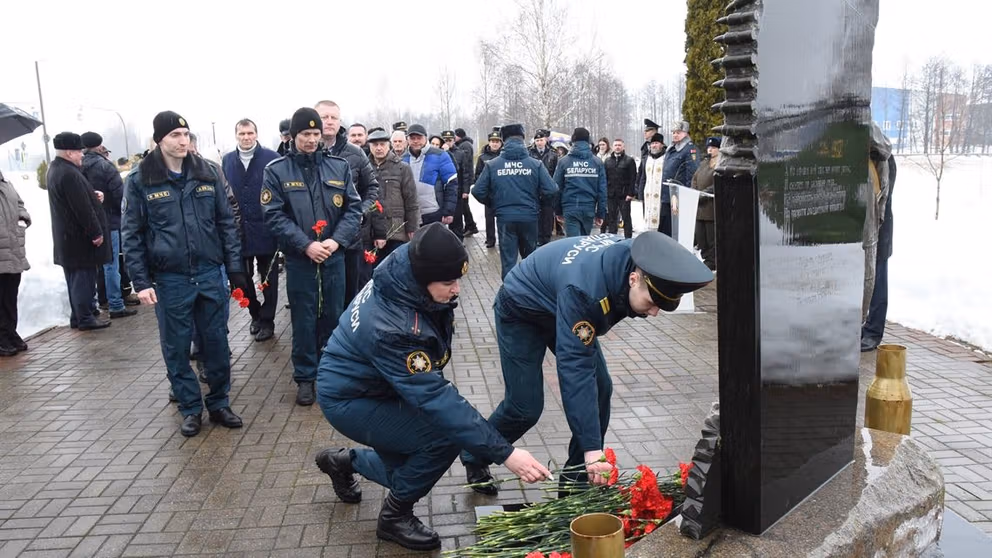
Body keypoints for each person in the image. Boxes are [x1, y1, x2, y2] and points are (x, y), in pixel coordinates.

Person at [315, 223, 551, 551]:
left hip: (380, 384)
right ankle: (394, 517)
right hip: (349, 397)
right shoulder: (394, 327)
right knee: (442, 437)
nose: (457, 290)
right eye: (448, 283)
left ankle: (343, 462)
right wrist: (506, 453)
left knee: (406, 471)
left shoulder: (408, 267)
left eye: (458, 279)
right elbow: (435, 399)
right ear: (424, 278)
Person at [461, 231, 714, 495]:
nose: (653, 313)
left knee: (601, 387)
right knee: (525, 407)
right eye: (651, 303)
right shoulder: (586, 292)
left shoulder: (638, 259)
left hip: (559, 301)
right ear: (633, 279)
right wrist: (594, 449)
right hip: (522, 308)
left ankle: (575, 485)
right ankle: (474, 454)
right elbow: (575, 370)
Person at [121, 112, 247, 437]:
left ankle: (219, 403)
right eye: (175, 135)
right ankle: (191, 408)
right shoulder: (140, 180)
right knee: (176, 348)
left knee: (217, 343)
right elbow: (132, 235)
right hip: (170, 279)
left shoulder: (208, 173)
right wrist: (141, 281)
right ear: (158, 140)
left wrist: (235, 269)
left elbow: (226, 224)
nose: (182, 141)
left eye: (186, 134)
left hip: (208, 273)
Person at [261, 107, 362, 407]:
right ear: (293, 136)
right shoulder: (277, 171)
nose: (311, 140)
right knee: (304, 320)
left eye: (316, 134)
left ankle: (331, 374)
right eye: (305, 134)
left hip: (333, 257)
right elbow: (273, 215)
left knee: (333, 316)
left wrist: (336, 241)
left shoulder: (338, 167)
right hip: (300, 260)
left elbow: (353, 209)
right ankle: (306, 378)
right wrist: (305, 244)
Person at [314, 100, 381, 307]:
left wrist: (360, 212)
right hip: (315, 241)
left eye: (334, 117)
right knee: (319, 300)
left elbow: (372, 187)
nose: (329, 122)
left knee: (349, 297)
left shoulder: (355, 153)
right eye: (324, 117)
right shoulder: (304, 153)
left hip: (349, 240)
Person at [472, 123, 557, 279]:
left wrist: (494, 203)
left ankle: (510, 295)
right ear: (523, 139)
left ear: (504, 140)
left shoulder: (493, 165)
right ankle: (530, 293)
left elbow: (477, 191)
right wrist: (538, 203)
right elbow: (551, 189)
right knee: (530, 260)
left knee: (508, 262)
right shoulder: (535, 164)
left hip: (505, 218)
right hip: (530, 217)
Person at [222, 118, 281, 341]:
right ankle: (255, 314)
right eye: (241, 134)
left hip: (266, 229)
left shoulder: (271, 158)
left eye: (250, 133)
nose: (246, 137)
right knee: (242, 279)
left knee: (269, 280)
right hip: (239, 232)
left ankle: (268, 320)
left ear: (256, 134)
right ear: (236, 135)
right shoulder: (227, 160)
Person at [47, 132, 112, 331]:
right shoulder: (68, 173)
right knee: (83, 279)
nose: (82, 155)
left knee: (74, 278)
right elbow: (81, 208)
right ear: (69, 152)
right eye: (78, 151)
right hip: (79, 239)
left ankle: (78, 316)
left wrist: (93, 196)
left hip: (68, 239)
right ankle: (85, 317)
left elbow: (75, 200)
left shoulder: (56, 169)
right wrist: (96, 232)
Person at [81, 132, 137, 320]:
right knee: (111, 264)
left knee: (94, 265)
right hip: (109, 222)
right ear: (99, 145)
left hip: (87, 222)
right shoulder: (105, 166)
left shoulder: (77, 167)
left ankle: (98, 303)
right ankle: (116, 304)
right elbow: (120, 196)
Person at [360, 128, 420, 286]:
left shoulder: (402, 168)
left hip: (396, 230)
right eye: (375, 145)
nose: (378, 148)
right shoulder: (364, 167)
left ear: (389, 145)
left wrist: (412, 227)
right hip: (370, 231)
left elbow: (411, 200)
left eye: (382, 144)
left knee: (395, 275)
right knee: (371, 277)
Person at [862, 124, 897, 352]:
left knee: (878, 275)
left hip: (878, 227)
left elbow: (881, 200)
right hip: (865, 229)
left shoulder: (884, 163)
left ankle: (873, 332)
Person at [554, 127, 607, 237]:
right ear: (588, 141)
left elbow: (557, 188)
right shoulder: (597, 162)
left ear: (573, 141)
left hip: (569, 208)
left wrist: (558, 211)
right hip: (589, 208)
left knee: (573, 244)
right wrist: (600, 214)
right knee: (584, 243)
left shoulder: (564, 162)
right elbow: (602, 190)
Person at [0, 170, 31, 355]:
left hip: (12, 249)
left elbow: (19, 204)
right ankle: (2, 338)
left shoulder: (6, 184)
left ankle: (10, 332)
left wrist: (23, 215)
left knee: (10, 296)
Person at [402, 124, 458, 227]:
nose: (415, 141)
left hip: (434, 213)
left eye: (419, 138)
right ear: (407, 139)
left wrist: (448, 211)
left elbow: (452, 184)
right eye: (412, 138)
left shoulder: (440, 155)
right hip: (411, 216)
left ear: (426, 138)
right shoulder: (403, 158)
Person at [663, 121, 700, 236]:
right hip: (667, 195)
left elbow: (692, 175)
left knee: (677, 232)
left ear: (686, 133)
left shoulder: (690, 150)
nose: (675, 135)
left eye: (678, 132)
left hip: (679, 196)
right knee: (666, 230)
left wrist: (687, 196)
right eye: (673, 132)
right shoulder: (671, 149)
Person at [691, 137, 721, 271]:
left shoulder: (721, 163)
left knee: (711, 238)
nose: (710, 149)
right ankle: (705, 258)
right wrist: (694, 191)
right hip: (699, 207)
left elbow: (718, 182)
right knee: (701, 237)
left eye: (714, 147)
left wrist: (704, 193)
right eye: (709, 147)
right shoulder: (704, 163)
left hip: (711, 207)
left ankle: (712, 262)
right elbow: (695, 178)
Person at [528, 129, 560, 246]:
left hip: (548, 189)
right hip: (534, 189)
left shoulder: (553, 153)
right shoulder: (529, 152)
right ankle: (537, 237)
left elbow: (556, 172)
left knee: (547, 215)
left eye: (541, 140)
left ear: (545, 140)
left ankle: (546, 238)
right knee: (536, 215)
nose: (539, 142)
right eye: (537, 140)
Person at [603, 138, 637, 239]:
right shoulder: (608, 161)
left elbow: (633, 178)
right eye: (616, 145)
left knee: (626, 218)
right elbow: (604, 178)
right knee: (612, 219)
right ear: (612, 147)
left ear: (623, 147)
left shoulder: (629, 161)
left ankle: (628, 240)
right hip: (611, 194)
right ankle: (612, 239)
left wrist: (630, 193)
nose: (617, 147)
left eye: (619, 145)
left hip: (624, 195)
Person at [475, 128, 503, 248]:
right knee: (489, 218)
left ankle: (504, 239)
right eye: (493, 141)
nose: (495, 143)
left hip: (503, 192)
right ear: (489, 142)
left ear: (501, 143)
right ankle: (490, 239)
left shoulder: (505, 156)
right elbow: (478, 175)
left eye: (497, 141)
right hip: (489, 193)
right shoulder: (483, 157)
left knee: (502, 218)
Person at [637, 132, 667, 234]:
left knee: (660, 221)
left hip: (660, 196)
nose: (654, 145)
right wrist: (640, 193)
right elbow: (642, 177)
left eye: (656, 143)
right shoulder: (646, 159)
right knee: (647, 219)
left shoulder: (666, 158)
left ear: (662, 145)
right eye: (652, 143)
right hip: (648, 195)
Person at [453, 128, 480, 237]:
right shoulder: (464, 144)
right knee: (464, 205)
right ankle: (470, 225)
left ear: (458, 136)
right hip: (466, 180)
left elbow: (465, 164)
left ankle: (471, 226)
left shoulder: (464, 146)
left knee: (464, 205)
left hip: (465, 180)